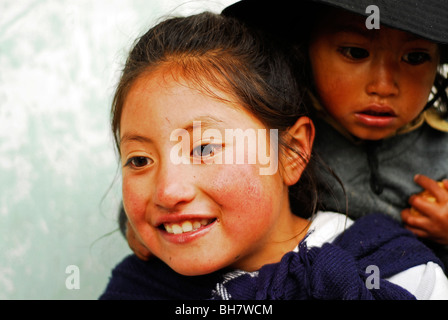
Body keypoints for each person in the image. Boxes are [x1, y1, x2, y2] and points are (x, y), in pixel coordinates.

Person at [100, 11, 448, 300]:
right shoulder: (139, 288)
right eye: (140, 160)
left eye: (205, 148)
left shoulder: (402, 274)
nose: (168, 191)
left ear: (294, 151)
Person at [220, 0, 448, 271]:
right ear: (304, 48)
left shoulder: (442, 148)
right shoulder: (276, 142)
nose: (384, 86)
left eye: (414, 57)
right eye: (355, 52)